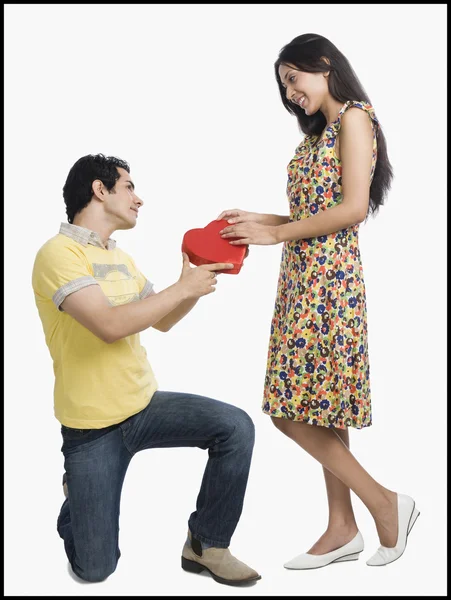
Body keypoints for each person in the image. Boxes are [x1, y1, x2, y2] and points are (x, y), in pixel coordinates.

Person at [217, 33, 419, 569]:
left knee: (289, 412)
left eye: (293, 79)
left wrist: (276, 236)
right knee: (319, 405)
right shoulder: (317, 136)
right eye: (284, 86)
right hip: (302, 278)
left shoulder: (355, 117)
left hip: (329, 283)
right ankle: (342, 525)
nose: (290, 94)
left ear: (324, 65)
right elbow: (312, 214)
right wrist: (260, 221)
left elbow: (352, 209)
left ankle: (385, 504)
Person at [31, 154, 261, 586]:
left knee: (235, 427)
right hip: (92, 428)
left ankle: (206, 544)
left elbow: (163, 318)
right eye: (130, 187)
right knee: (95, 569)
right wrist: (181, 288)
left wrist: (195, 282)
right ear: (100, 190)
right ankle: (76, 500)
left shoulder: (120, 259)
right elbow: (110, 326)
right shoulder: (56, 254)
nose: (139, 198)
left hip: (142, 406)